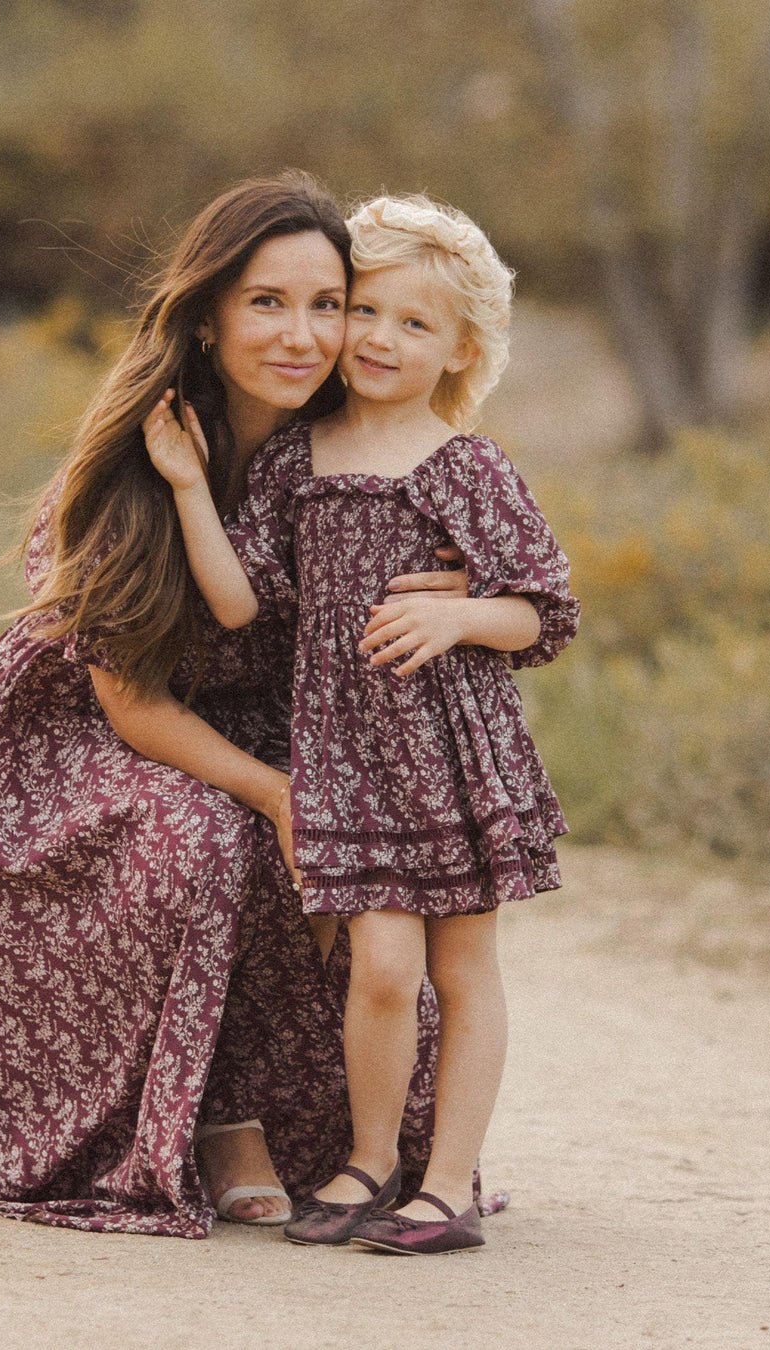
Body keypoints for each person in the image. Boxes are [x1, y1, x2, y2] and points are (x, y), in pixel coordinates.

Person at [0, 173, 506, 1239]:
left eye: (328, 304)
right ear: (207, 314)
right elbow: (134, 709)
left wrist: (460, 596)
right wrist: (282, 796)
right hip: (78, 743)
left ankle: (360, 1146)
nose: (304, 335)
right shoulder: (144, 459)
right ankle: (207, 1116)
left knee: (367, 854)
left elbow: (495, 558)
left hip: (277, 729)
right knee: (211, 829)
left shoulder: (364, 442)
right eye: (266, 302)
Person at [144, 193, 578, 1252]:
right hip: (344, 756)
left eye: (414, 325)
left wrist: (464, 612)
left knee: (461, 969)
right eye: (367, 313)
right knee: (381, 970)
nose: (380, 339)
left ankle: (450, 1185)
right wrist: (191, 487)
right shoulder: (301, 459)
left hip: (450, 758)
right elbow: (240, 600)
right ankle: (368, 1162)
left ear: (461, 348)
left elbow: (546, 610)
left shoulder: (465, 467)